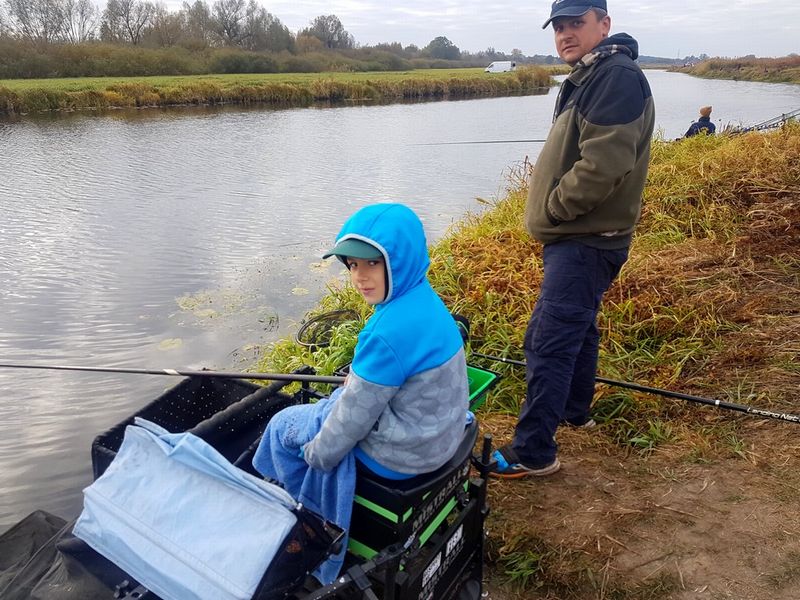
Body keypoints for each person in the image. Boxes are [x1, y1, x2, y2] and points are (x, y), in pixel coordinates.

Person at [253, 203, 470, 580]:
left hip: (401, 456)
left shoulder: (385, 333)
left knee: (282, 426)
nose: (359, 276)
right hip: (439, 439)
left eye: (372, 263)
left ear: (400, 261)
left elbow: (350, 422)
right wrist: (359, 383)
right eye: (352, 265)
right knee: (330, 407)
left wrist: (317, 455)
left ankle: (305, 523)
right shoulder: (426, 302)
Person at [490, 0, 655, 478]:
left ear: (604, 24)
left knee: (549, 341)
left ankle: (534, 452)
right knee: (578, 328)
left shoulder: (615, 76)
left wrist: (554, 209)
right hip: (584, 238)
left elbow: (604, 164)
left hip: (584, 239)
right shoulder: (591, 74)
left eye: (576, 24)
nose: (565, 34)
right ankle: (574, 410)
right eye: (559, 26)